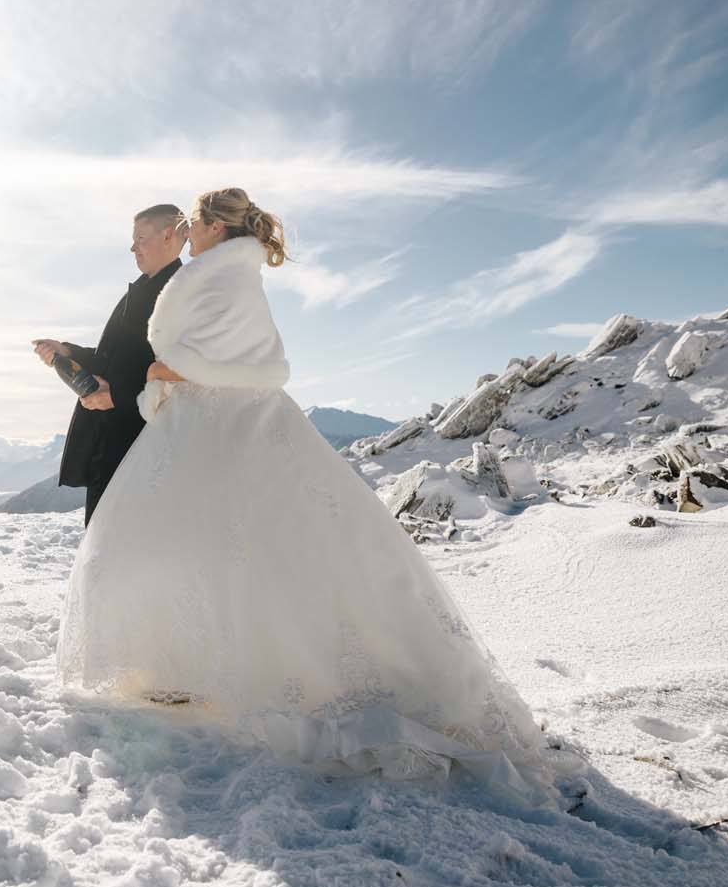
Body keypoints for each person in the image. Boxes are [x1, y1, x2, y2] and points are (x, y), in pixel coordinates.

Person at [55, 187, 553, 801]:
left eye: (194, 224)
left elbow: (235, 358)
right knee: (206, 546)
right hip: (202, 427)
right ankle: (183, 668)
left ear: (211, 228)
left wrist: (163, 371)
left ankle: (244, 672)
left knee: (233, 545)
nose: (189, 234)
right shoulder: (224, 273)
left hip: (222, 427)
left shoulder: (224, 277)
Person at [33, 204, 185, 526]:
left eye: (140, 238)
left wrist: (117, 396)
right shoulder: (140, 290)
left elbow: (184, 377)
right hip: (109, 445)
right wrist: (67, 352)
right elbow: (110, 361)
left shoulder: (182, 296)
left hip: (141, 450)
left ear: (168, 236)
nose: (133, 247)